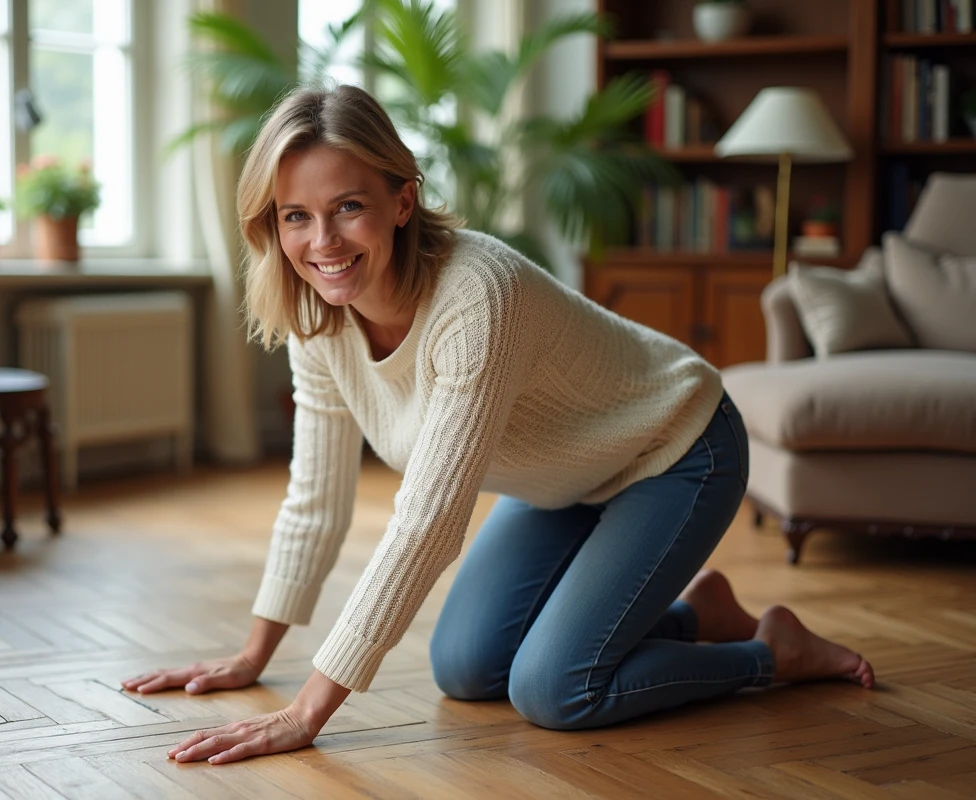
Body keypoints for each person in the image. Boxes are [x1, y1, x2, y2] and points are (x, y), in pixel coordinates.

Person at [121, 84, 874, 766]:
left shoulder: (478, 296)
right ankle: (697, 614)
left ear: (402, 201)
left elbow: (427, 523)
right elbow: (315, 499)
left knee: (555, 689)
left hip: (676, 448)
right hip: (564, 477)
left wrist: (306, 713)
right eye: (296, 216)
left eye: (348, 206)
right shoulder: (317, 317)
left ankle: (772, 653)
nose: (323, 243)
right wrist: (254, 655)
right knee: (467, 668)